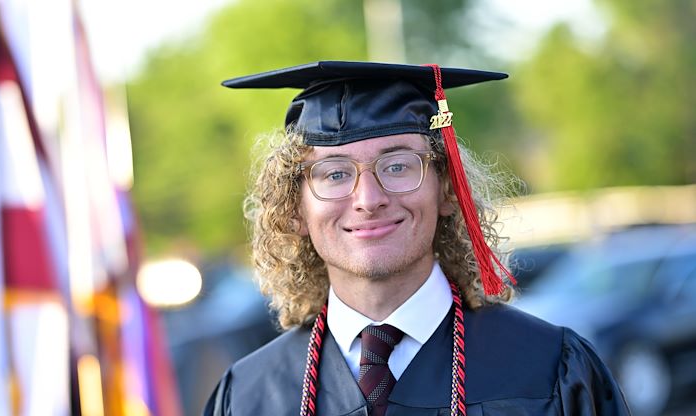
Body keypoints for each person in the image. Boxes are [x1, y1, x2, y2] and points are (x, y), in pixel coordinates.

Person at [204, 61, 630, 415]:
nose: (368, 200)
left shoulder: (550, 368)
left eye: (397, 167)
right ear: (296, 209)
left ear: (446, 189)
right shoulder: (247, 396)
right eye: (335, 174)